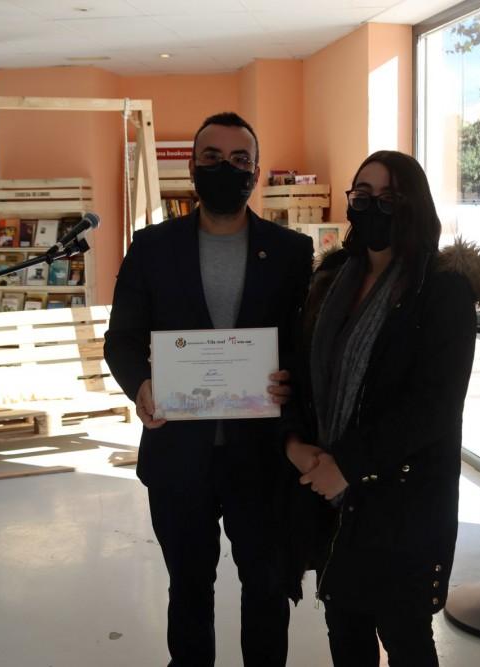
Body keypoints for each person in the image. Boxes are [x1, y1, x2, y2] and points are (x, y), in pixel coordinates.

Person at [104, 112, 313, 667]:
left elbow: (305, 345)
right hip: (178, 454)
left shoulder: (291, 252)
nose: (227, 168)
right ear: (193, 169)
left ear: (256, 172)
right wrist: (141, 385)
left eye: (240, 159)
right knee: (189, 588)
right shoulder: (151, 247)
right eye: (213, 158)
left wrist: (290, 378)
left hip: (263, 456)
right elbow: (121, 339)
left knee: (266, 588)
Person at [282, 150, 480, 666]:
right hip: (331, 494)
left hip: (401, 500)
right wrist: (294, 444)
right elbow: (303, 376)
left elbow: (434, 407)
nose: (373, 206)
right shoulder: (332, 278)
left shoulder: (442, 291)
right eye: (362, 195)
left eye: (389, 197)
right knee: (344, 628)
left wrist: (347, 465)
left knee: (405, 637)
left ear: (414, 206)